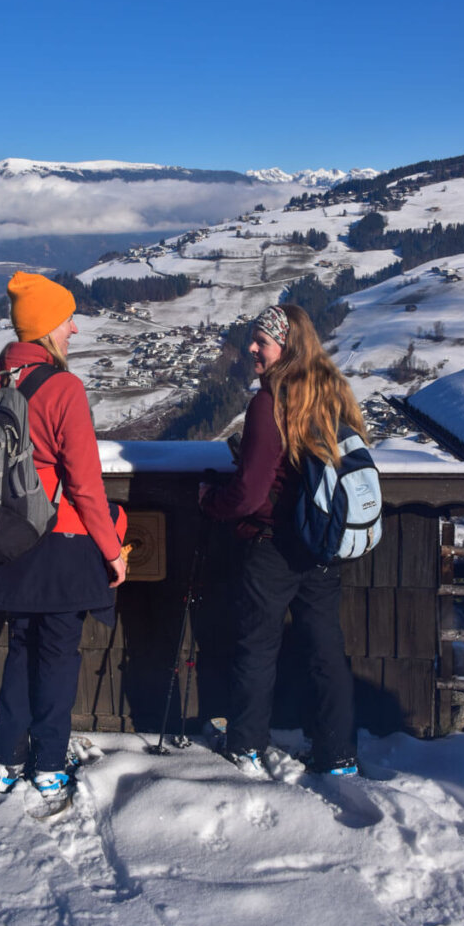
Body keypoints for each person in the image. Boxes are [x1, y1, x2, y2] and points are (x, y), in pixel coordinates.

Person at [0, 271, 126, 802]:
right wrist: (112, 550)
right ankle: (49, 765)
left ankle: (6, 759)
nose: (74, 328)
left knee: (20, 649)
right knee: (57, 654)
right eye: (67, 319)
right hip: (63, 543)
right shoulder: (63, 388)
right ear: (48, 326)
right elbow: (85, 484)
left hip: (7, 542)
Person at [200, 303, 364, 776]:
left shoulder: (270, 402)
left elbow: (249, 494)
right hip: (322, 542)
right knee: (325, 650)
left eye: (261, 342)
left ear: (285, 348)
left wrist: (211, 501)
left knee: (257, 647)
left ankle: (247, 745)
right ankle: (338, 752)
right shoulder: (331, 391)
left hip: (273, 544)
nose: (251, 348)